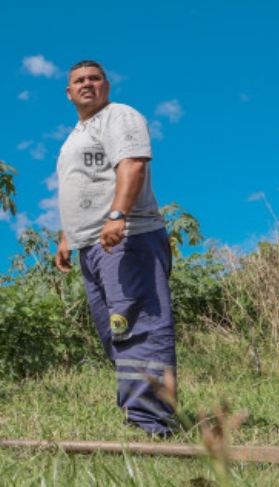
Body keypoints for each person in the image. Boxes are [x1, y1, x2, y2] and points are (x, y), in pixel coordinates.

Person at [54, 60, 178, 436]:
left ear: (107, 85)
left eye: (94, 78)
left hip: (127, 237)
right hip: (91, 244)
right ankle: (138, 412)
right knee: (116, 332)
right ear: (69, 92)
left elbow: (133, 164)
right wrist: (67, 237)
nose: (87, 84)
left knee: (138, 326)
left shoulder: (118, 116)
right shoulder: (77, 133)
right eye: (79, 80)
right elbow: (81, 186)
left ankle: (152, 422)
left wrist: (118, 214)